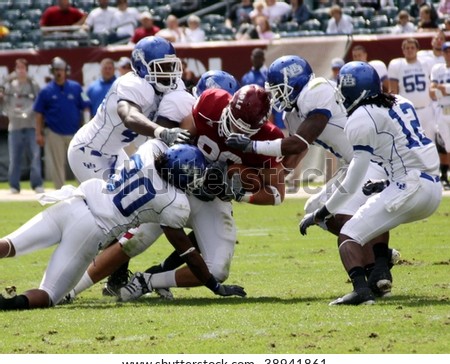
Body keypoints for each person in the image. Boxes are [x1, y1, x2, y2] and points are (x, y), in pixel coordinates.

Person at [67, 84, 286, 302]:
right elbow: (180, 142)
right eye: (231, 122)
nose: (233, 131)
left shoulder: (268, 138)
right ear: (228, 106)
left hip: (214, 199)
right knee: (136, 238)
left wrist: (240, 194)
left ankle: (149, 280)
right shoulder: (212, 102)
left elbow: (277, 194)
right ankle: (72, 289)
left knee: (218, 270)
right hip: (180, 185)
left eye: (242, 129)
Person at [226, 55, 399, 297]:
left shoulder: (317, 89)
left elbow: (298, 143)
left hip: (372, 159)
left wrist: (251, 147)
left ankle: (376, 263)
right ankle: (377, 253)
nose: (277, 97)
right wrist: (269, 178)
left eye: (280, 90)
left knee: (343, 210)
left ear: (296, 82)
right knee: (315, 209)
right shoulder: (292, 114)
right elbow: (295, 155)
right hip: (352, 162)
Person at [0, 142, 246, 311]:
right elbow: (188, 253)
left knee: (10, 244)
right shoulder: (173, 202)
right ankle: (6, 306)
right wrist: (215, 286)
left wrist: (165, 134)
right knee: (49, 295)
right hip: (91, 229)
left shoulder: (151, 150)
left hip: (74, 202)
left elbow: (160, 140)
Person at [299, 61, 442, 305]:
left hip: (410, 188)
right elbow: (408, 149)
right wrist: (387, 181)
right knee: (370, 220)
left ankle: (360, 291)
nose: (340, 95)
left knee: (349, 234)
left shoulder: (360, 118)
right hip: (431, 186)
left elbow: (355, 175)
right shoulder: (399, 101)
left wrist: (323, 211)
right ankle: (380, 267)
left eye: (343, 89)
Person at [67, 36, 189, 184]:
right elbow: (129, 116)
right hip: (88, 150)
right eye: (162, 67)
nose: (169, 73)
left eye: (171, 66)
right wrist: (161, 132)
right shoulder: (132, 84)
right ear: (142, 67)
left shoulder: (172, 86)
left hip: (116, 153)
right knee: (106, 204)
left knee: (128, 202)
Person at [34, 57, 90, 190]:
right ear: (52, 71)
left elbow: (87, 105)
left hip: (75, 133)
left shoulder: (77, 88)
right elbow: (38, 113)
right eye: (56, 70)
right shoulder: (45, 91)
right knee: (57, 165)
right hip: (54, 132)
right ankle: (60, 193)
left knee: (79, 162)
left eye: (61, 70)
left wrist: (87, 126)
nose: (59, 72)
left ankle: (85, 190)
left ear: (66, 71)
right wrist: (38, 133)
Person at [1, 58, 43, 194]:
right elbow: (4, 104)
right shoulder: (9, 85)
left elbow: (38, 103)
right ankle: (14, 185)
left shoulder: (33, 85)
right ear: (15, 69)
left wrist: (27, 112)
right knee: (14, 158)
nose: (20, 70)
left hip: (31, 125)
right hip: (14, 126)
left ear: (26, 69)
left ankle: (37, 184)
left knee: (35, 156)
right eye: (18, 68)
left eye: (23, 68)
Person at [388, 38, 435, 142]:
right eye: (407, 48)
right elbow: (393, 90)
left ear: (417, 49)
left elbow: (433, 85)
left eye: (412, 48)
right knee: (410, 141)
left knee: (430, 141)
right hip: (408, 111)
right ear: (403, 50)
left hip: (426, 109)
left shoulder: (427, 63)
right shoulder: (397, 65)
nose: (410, 50)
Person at [430, 41, 450, 189]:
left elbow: (439, 89)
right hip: (442, 109)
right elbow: (432, 91)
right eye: (446, 51)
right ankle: (444, 175)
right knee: (445, 146)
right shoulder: (437, 68)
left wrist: (445, 88)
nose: (448, 54)